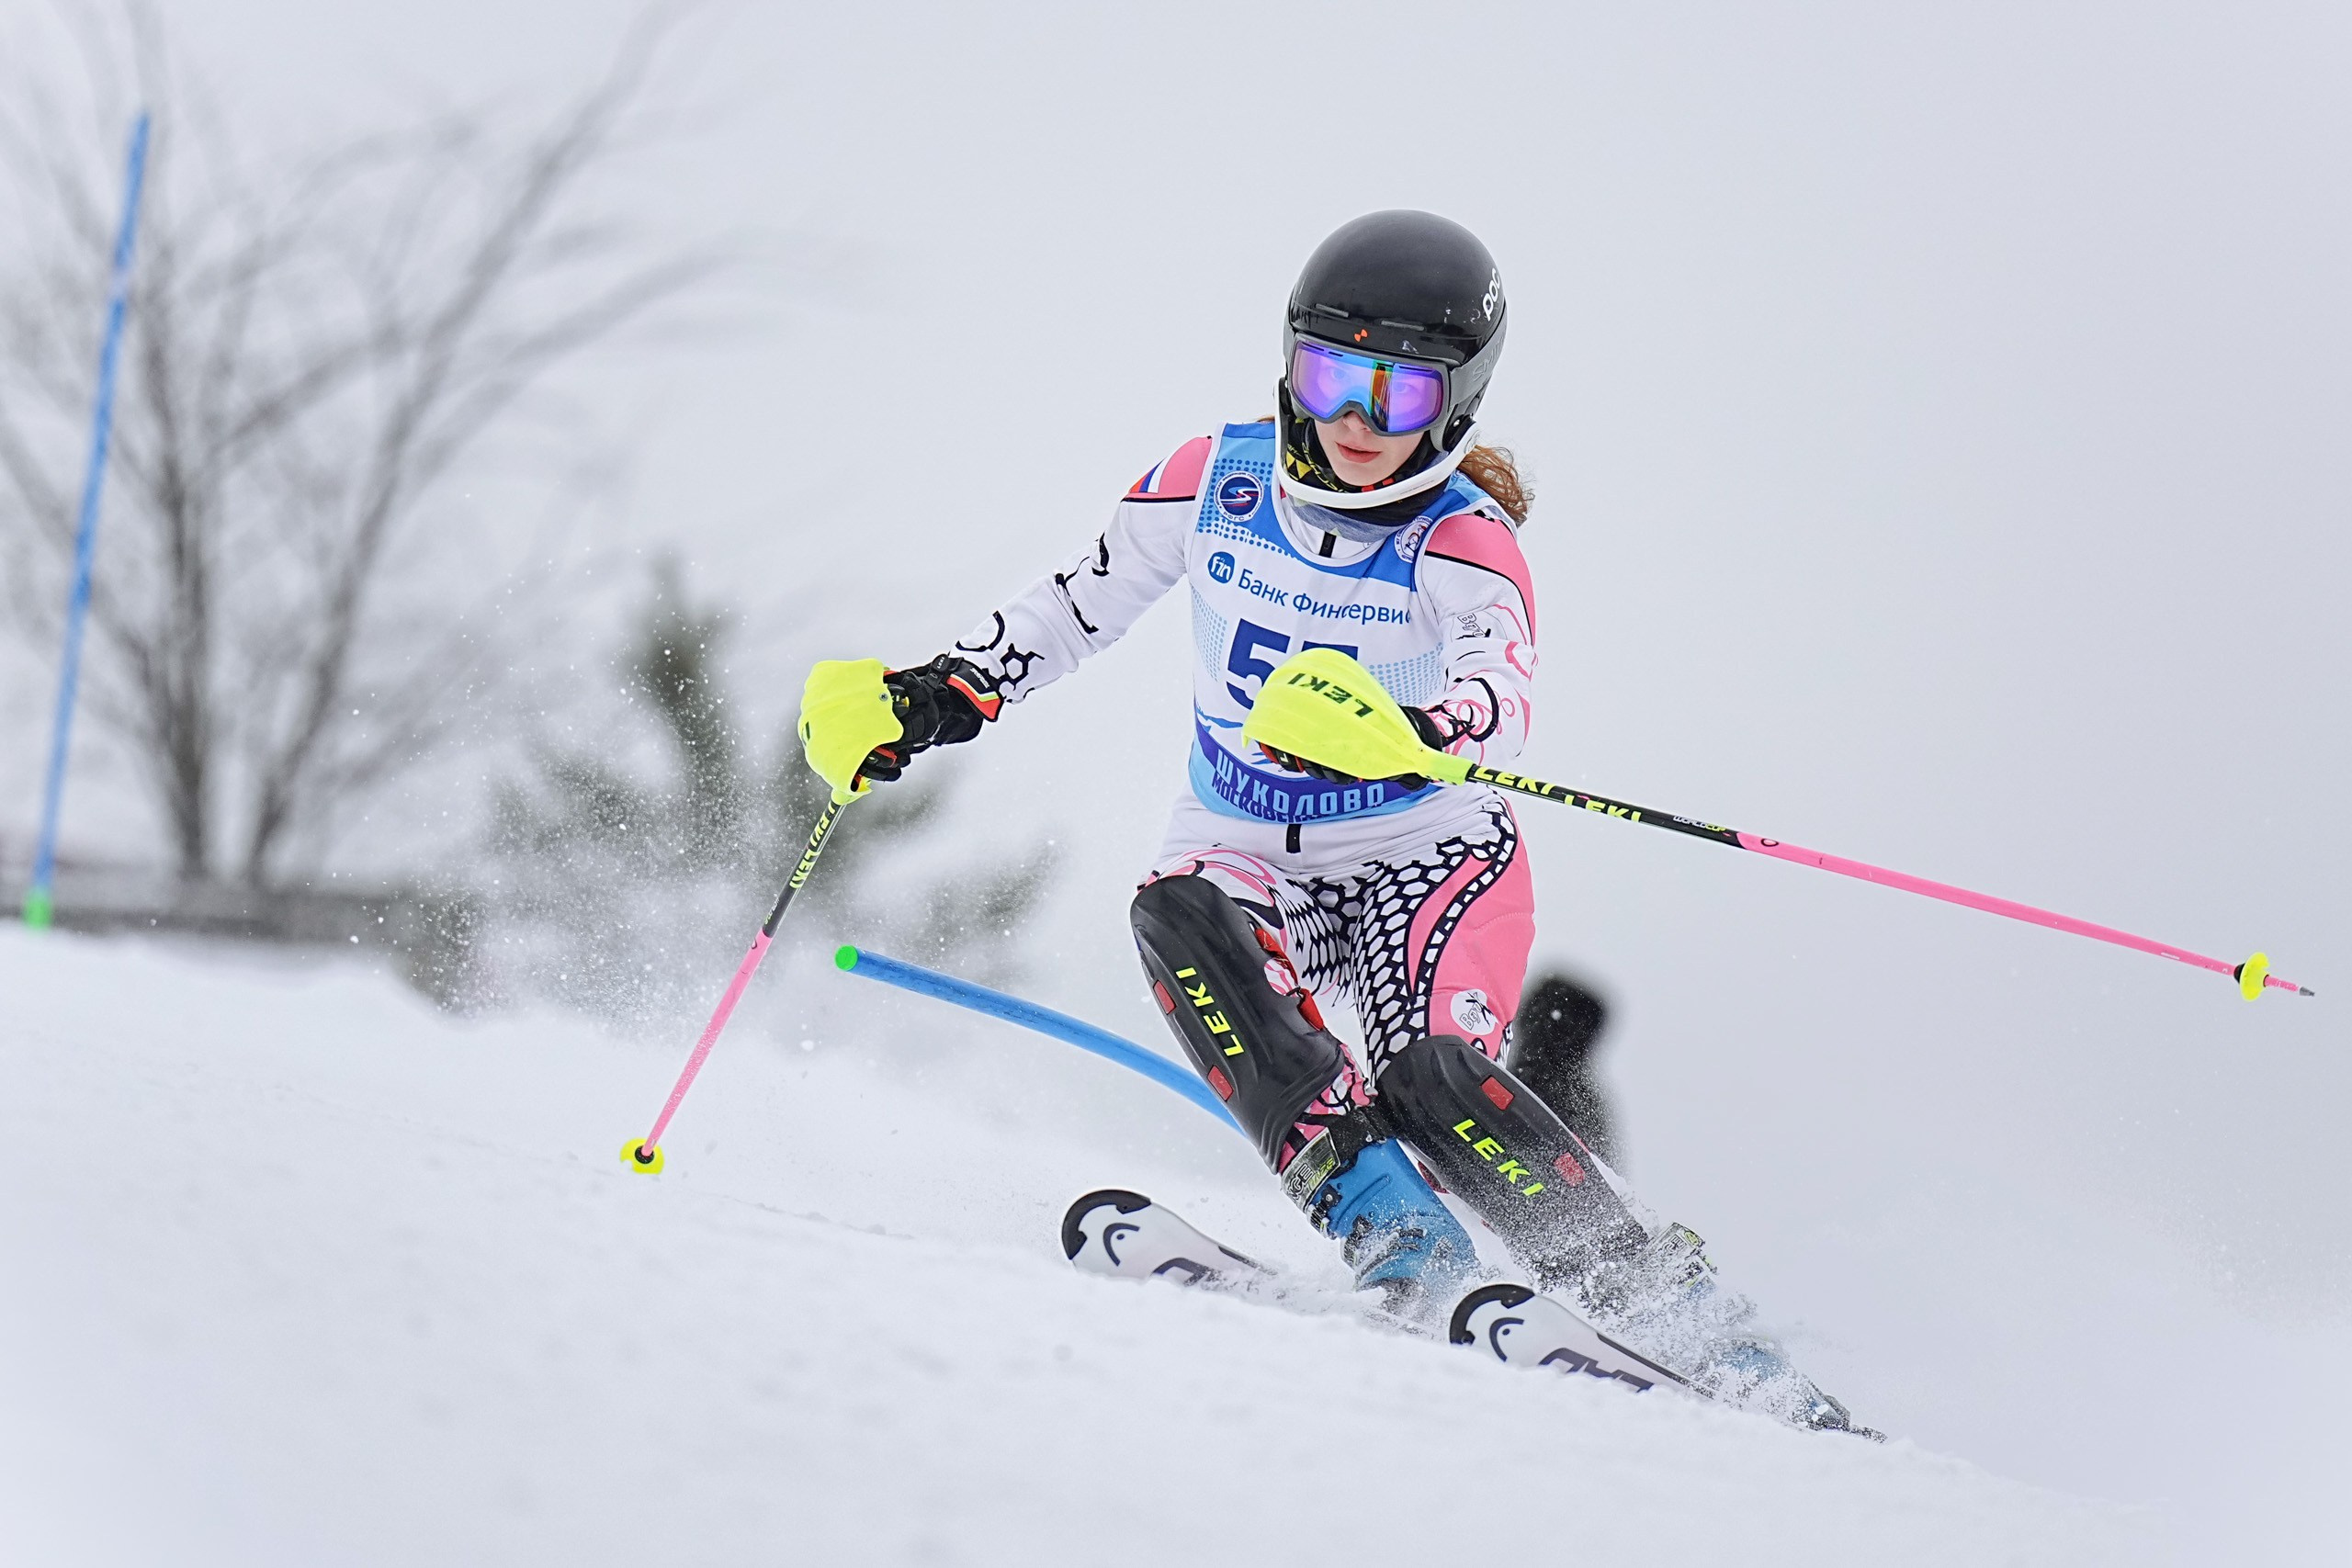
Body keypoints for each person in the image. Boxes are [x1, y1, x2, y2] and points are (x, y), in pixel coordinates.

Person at [799, 212, 1867, 1432]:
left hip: (1425, 858)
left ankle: (1685, 1323)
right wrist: (939, 694)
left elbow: (1501, 699)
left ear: (1455, 402)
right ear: (1289, 364)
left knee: (1431, 1080)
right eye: (1328, 374)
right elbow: (1078, 604)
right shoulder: (1217, 478)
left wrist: (1412, 731)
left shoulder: (1464, 541)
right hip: (1244, 841)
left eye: (1397, 391)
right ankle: (1396, 1235)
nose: (1356, 422)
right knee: (1176, 911)